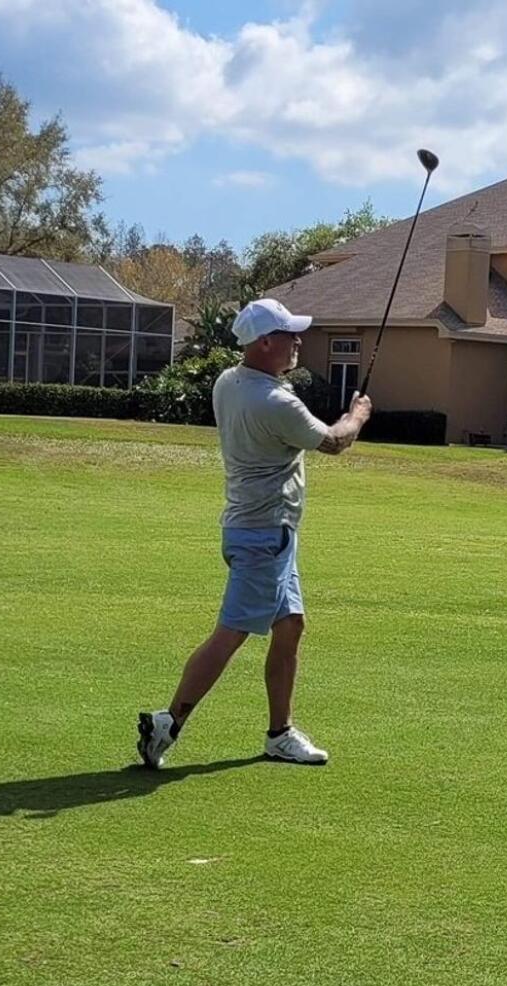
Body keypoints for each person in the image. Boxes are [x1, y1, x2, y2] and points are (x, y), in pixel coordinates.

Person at [137, 298, 373, 769]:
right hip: (264, 534)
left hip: (262, 531)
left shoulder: (230, 381)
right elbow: (335, 441)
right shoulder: (276, 401)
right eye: (289, 335)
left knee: (290, 627)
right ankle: (171, 721)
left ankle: (279, 734)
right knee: (231, 634)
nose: (297, 342)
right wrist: (360, 413)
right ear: (265, 343)